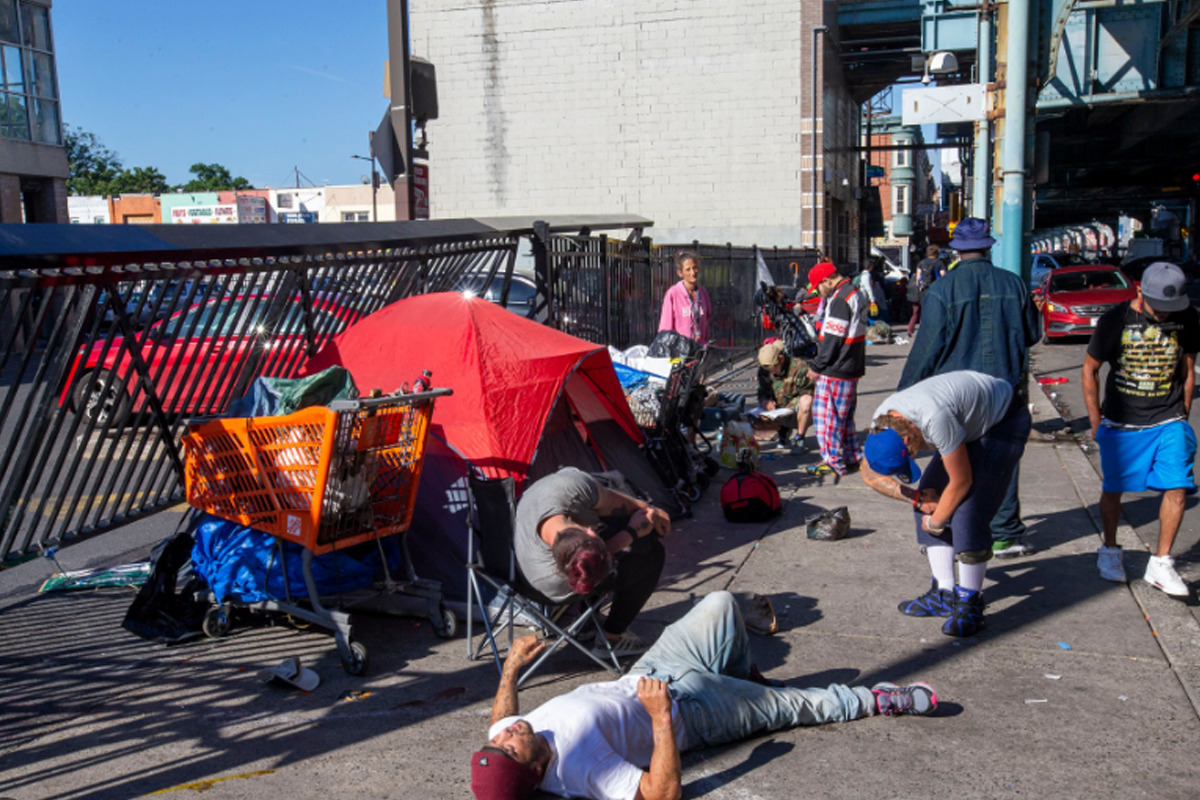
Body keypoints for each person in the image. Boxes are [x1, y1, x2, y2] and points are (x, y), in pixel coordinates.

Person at [470, 591, 937, 800]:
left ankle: (745, 681)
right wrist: (660, 717)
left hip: (651, 671)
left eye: (498, 741)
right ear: (535, 770)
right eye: (510, 746)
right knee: (794, 705)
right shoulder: (580, 770)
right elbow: (661, 795)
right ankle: (877, 700)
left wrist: (511, 670)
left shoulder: (514, 736)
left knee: (720, 605)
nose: (507, 733)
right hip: (690, 711)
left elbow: (498, 720)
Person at [898, 218, 1041, 560]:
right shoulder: (1014, 284)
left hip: (956, 399)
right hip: (1004, 393)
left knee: (954, 467)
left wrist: (902, 399)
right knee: (1000, 466)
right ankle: (1004, 534)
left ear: (956, 250)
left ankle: (948, 531)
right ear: (988, 246)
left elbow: (925, 352)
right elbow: (1032, 334)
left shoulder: (942, 291)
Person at [861, 370, 1032, 637]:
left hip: (1004, 421)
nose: (915, 455)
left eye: (911, 454)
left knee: (968, 510)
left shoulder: (934, 418)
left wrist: (937, 521)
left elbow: (961, 481)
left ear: (906, 439)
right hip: (967, 422)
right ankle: (944, 593)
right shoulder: (880, 424)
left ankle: (970, 604)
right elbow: (868, 474)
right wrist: (917, 498)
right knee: (928, 498)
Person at [1082, 262, 1200, 597]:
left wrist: (1183, 413)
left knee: (1178, 485)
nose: (1163, 314)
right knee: (1114, 490)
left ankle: (1161, 562)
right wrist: (1096, 422)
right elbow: (1090, 369)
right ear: (1139, 292)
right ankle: (1109, 549)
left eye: (1169, 307)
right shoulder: (1115, 321)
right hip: (1122, 422)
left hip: (1168, 419)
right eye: (1158, 307)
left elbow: (1188, 368)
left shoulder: (1188, 317)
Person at [514, 467, 671, 657]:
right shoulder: (553, 579)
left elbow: (612, 500)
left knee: (613, 495)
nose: (593, 531)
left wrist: (651, 510)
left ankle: (586, 623)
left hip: (513, 575)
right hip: (545, 590)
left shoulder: (570, 487)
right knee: (651, 555)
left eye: (592, 534)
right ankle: (612, 639)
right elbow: (587, 566)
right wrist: (630, 534)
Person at [805, 261, 866, 477]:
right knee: (844, 418)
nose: (819, 293)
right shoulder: (855, 292)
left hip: (836, 367)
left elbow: (833, 338)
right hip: (852, 364)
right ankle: (851, 456)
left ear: (827, 281)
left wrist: (817, 366)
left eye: (819, 288)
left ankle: (833, 461)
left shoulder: (840, 299)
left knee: (827, 418)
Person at [755, 339, 814, 454]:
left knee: (806, 401)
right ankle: (782, 434)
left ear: (781, 359)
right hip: (776, 411)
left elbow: (807, 392)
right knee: (748, 419)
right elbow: (762, 391)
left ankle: (799, 438)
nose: (773, 372)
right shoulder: (764, 371)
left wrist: (789, 407)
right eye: (769, 370)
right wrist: (765, 402)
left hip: (796, 411)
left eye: (774, 368)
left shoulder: (798, 367)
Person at [658, 250, 711, 346]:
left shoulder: (703, 293)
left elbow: (707, 319)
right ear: (680, 273)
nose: (693, 272)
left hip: (700, 349)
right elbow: (665, 329)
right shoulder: (673, 294)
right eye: (688, 269)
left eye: (694, 268)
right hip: (681, 351)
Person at [906, 245, 940, 337]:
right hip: (929, 292)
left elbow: (918, 280)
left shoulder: (919, 266)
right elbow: (942, 278)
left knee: (915, 312)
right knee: (926, 312)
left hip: (916, 294)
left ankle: (910, 329)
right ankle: (923, 330)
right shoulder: (937, 264)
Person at [853, 257, 889, 324]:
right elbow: (868, 288)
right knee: (866, 313)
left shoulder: (863, 274)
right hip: (865, 297)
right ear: (871, 266)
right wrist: (872, 299)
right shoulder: (866, 276)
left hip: (863, 296)